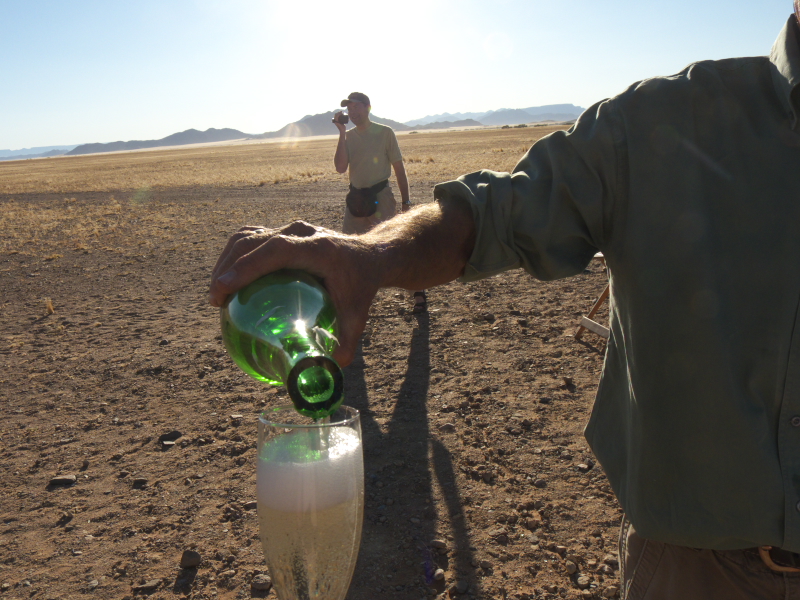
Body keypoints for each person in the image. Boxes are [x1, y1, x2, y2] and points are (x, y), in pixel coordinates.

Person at [212, 7, 800, 599]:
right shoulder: (663, 122)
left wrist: (393, 215)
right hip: (701, 569)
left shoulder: (386, 133)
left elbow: (407, 172)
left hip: (382, 197)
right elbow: (494, 214)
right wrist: (369, 255)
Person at [333, 91, 427, 313]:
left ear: (368, 107)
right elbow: (340, 168)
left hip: (381, 197)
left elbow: (399, 169)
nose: (352, 112)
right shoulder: (348, 136)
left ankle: (418, 291)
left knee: (394, 247)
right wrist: (341, 133)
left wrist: (406, 201)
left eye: (356, 107)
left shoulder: (385, 133)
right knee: (348, 250)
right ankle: (351, 301)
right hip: (356, 200)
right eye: (349, 108)